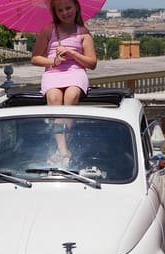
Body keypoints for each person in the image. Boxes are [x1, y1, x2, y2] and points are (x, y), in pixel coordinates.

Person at [32, 0, 97, 166]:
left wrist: (71, 53)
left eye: (68, 8)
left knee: (72, 95)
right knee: (54, 98)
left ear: (76, 7)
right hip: (54, 72)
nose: (65, 12)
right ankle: (64, 150)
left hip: (75, 72)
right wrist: (53, 61)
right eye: (60, 10)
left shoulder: (83, 32)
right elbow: (35, 58)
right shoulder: (48, 29)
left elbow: (92, 63)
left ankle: (59, 150)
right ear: (55, 12)